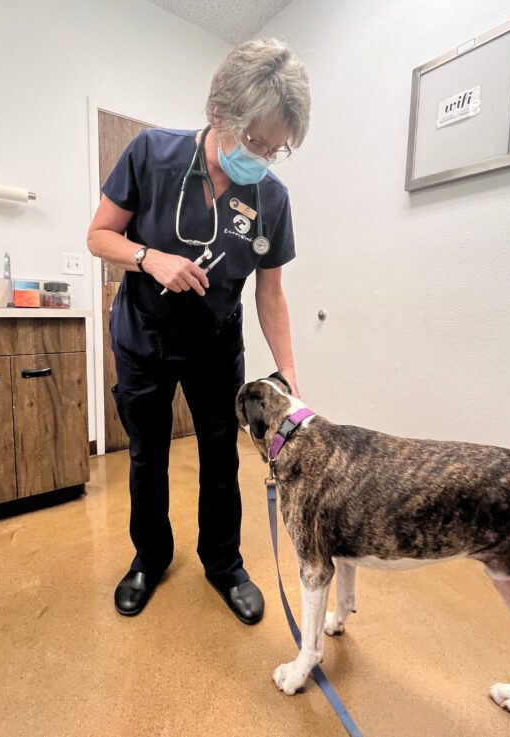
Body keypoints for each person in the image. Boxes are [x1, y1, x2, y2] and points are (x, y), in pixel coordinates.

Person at [87, 38, 310, 624]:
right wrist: (149, 258)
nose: (261, 157)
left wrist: (288, 374)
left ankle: (224, 563)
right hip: (144, 336)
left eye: (275, 148)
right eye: (254, 141)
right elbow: (99, 236)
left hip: (215, 344)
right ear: (220, 114)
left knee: (220, 456)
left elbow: (270, 292)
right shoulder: (151, 154)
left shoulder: (271, 197)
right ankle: (149, 557)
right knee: (146, 454)